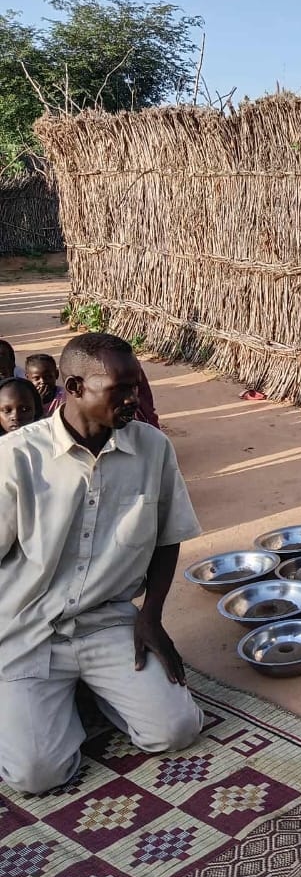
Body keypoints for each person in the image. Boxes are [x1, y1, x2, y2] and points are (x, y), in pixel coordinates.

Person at [0, 332, 204, 794]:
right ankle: (49, 698)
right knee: (36, 775)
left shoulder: (152, 448)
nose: (134, 398)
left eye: (136, 386)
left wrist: (150, 616)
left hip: (107, 623)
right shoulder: (16, 458)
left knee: (175, 729)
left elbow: (168, 536)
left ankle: (85, 690)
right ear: (74, 388)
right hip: (27, 630)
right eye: (121, 389)